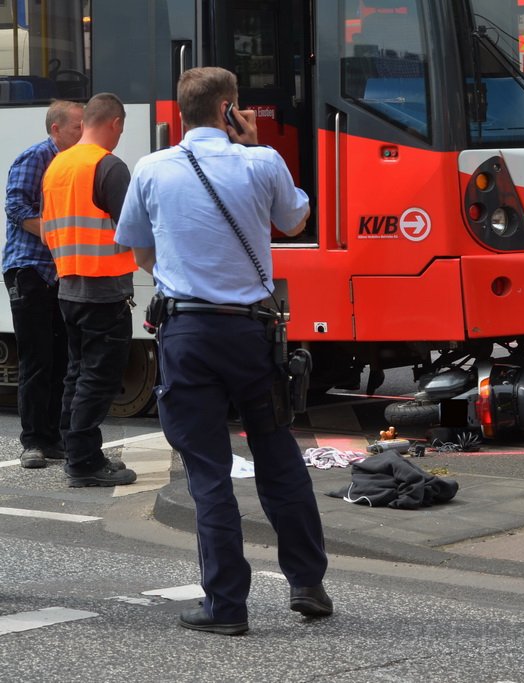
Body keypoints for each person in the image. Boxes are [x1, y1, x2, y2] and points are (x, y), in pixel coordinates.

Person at [115, 66, 331, 635]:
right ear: (229, 108)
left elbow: (137, 249)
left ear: (179, 113)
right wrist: (256, 148)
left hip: (186, 333)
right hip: (251, 334)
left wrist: (185, 279)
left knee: (207, 472)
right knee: (277, 452)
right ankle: (307, 582)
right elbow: (294, 218)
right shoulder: (261, 162)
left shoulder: (152, 168)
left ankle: (226, 606)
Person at [40, 93, 138, 488]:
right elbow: (134, 230)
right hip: (105, 289)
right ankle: (83, 462)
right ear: (114, 123)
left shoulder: (57, 165)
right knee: (97, 378)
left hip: (68, 286)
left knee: (77, 373)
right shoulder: (108, 166)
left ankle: (77, 449)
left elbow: (47, 231)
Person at [4, 100, 82, 469]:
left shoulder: (73, 161)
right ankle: (33, 442)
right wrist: (58, 236)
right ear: (55, 129)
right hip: (30, 269)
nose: (81, 133)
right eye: (75, 127)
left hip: (57, 270)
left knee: (61, 357)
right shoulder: (36, 157)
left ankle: (52, 439)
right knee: (37, 358)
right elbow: (17, 209)